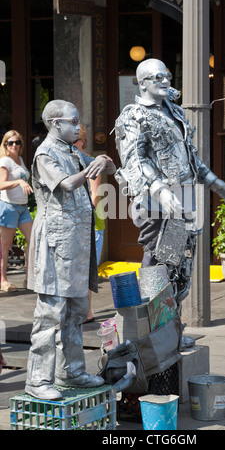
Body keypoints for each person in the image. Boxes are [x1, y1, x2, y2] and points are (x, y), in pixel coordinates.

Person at [114, 58, 225, 312]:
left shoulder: (174, 111)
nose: (165, 81)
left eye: (166, 75)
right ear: (143, 84)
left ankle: (173, 331)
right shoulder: (133, 116)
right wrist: (159, 190)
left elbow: (189, 157)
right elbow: (134, 160)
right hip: (156, 202)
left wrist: (215, 183)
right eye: (157, 78)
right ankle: (154, 333)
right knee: (158, 262)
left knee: (180, 266)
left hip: (184, 198)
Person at [25, 99, 116, 400]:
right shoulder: (45, 154)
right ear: (55, 124)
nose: (78, 126)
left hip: (77, 242)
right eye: (72, 121)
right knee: (51, 313)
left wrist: (104, 162)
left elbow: (108, 166)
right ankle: (38, 380)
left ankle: (72, 371)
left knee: (76, 311)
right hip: (54, 241)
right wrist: (93, 168)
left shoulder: (71, 149)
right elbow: (65, 185)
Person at [74, 124, 105, 322]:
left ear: (83, 141)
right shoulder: (64, 162)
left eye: (76, 139)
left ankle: (87, 311)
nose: (72, 143)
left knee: (87, 269)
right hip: (75, 222)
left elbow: (95, 196)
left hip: (91, 222)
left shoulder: (91, 162)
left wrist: (82, 217)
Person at [0, 130, 33, 291]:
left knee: (33, 241)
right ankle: (3, 280)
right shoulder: (5, 161)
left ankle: (29, 278)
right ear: (5, 144)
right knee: (5, 246)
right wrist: (20, 181)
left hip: (23, 207)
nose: (14, 145)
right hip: (9, 206)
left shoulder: (19, 159)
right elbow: (1, 184)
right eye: (10, 142)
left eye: (17, 142)